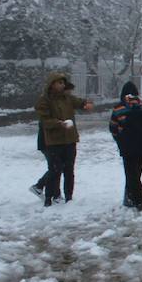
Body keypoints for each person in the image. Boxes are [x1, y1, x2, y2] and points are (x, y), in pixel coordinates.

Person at [34, 72, 94, 206]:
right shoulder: (44, 101)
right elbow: (45, 121)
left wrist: (86, 104)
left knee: (69, 170)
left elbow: (80, 102)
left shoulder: (67, 98)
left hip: (70, 139)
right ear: (52, 84)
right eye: (59, 83)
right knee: (54, 170)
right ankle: (49, 198)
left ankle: (69, 198)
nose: (62, 85)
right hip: (54, 141)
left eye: (63, 83)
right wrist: (59, 123)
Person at [109, 82, 142, 210]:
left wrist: (119, 140)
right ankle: (130, 198)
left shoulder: (118, 108)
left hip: (127, 146)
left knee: (131, 174)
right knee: (136, 173)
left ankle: (140, 201)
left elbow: (113, 128)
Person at [29, 120, 52, 201]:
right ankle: (39, 186)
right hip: (48, 144)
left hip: (49, 143)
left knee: (57, 168)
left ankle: (40, 187)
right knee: (55, 168)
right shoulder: (47, 115)